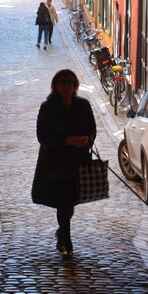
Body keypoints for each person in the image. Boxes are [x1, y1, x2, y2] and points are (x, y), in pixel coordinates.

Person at [31, 69, 97, 258]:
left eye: (69, 82)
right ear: (55, 86)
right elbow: (42, 136)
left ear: (75, 85)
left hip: (78, 162)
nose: (66, 86)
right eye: (62, 83)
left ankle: (61, 232)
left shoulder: (83, 105)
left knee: (71, 202)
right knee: (63, 202)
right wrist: (67, 141)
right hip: (55, 163)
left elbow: (93, 129)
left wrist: (87, 139)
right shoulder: (48, 107)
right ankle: (66, 239)